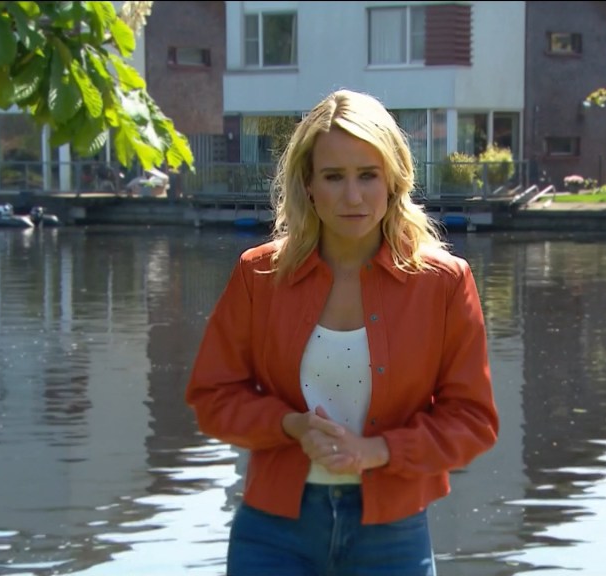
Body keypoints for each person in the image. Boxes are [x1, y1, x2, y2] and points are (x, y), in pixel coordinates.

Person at [184, 89, 499, 576]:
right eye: (333, 177)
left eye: (367, 175)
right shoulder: (259, 274)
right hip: (273, 530)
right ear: (308, 184)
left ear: (394, 179)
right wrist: (290, 425)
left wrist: (378, 451)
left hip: (392, 532)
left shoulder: (444, 282)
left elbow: (473, 420)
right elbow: (212, 397)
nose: (352, 196)